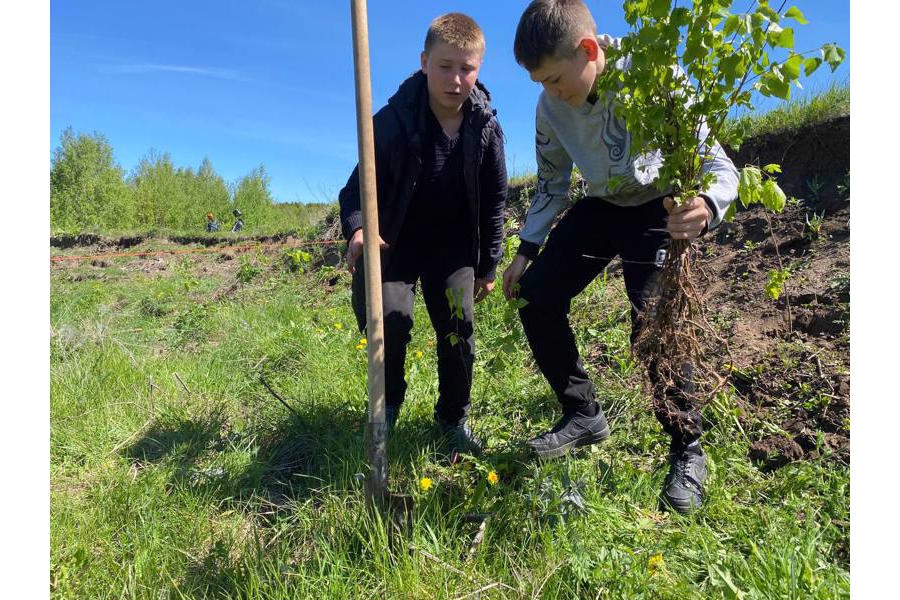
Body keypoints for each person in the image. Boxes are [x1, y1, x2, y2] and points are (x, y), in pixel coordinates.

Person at [504, 0, 739, 512]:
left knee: (653, 322)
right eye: (539, 82)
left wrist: (706, 204)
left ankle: (688, 449)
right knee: (536, 294)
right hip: (604, 203)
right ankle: (583, 413)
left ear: (589, 51)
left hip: (659, 205)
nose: (550, 91)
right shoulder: (550, 109)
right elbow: (551, 183)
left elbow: (718, 163)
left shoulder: (653, 73)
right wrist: (526, 250)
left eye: (554, 78)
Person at [338, 12, 507, 455]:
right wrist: (357, 230)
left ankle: (452, 418)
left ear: (479, 69)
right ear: (424, 62)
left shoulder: (486, 127)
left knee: (458, 329)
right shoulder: (392, 121)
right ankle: (387, 408)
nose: (455, 79)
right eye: (445, 66)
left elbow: (495, 201)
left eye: (466, 68)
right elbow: (355, 189)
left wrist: (488, 263)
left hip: (452, 252)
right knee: (389, 324)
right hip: (395, 245)